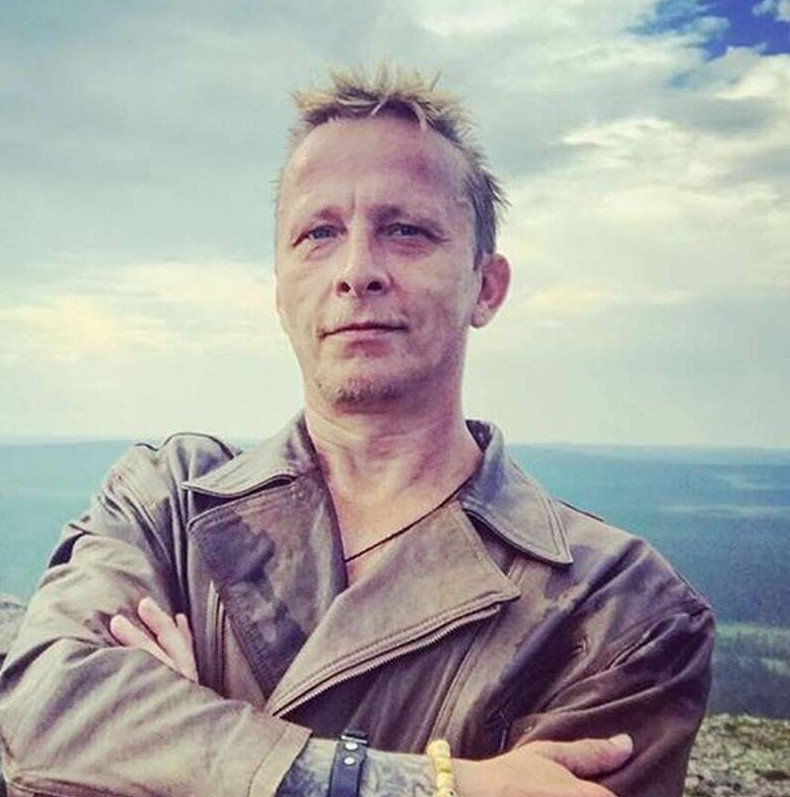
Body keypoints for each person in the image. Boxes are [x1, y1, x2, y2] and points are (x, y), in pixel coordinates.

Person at [0, 67, 713, 797]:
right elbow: (47, 715)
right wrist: (440, 784)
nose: (357, 270)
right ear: (279, 288)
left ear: (486, 286)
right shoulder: (163, 504)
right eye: (319, 233)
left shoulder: (622, 608)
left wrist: (175, 747)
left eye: (406, 231)